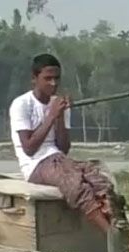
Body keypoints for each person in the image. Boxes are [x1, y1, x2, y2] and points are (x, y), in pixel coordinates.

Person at [10, 53, 120, 233]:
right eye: (47, 79)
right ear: (34, 79)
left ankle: (120, 226)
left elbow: (63, 148)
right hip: (36, 165)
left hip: (58, 158)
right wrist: (51, 115)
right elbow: (29, 149)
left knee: (98, 179)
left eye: (56, 79)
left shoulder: (59, 104)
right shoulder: (21, 104)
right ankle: (110, 235)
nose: (53, 84)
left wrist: (60, 116)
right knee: (76, 185)